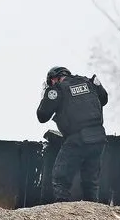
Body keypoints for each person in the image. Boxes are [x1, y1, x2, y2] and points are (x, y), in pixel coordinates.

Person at [36, 66, 109, 204]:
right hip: (99, 138)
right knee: (91, 181)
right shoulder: (89, 82)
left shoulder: (58, 89)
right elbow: (104, 99)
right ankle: (93, 212)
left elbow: (42, 116)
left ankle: (62, 211)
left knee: (60, 177)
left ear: (53, 79)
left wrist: (46, 95)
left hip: (78, 139)